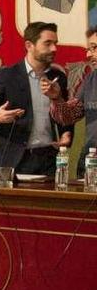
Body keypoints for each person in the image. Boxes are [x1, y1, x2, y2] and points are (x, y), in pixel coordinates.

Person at [0, 22, 74, 176]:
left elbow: (65, 115)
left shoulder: (58, 77)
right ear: (29, 45)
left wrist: (66, 133)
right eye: (47, 43)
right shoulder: (7, 76)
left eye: (55, 43)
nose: (54, 48)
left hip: (47, 160)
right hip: (11, 159)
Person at [43, 25, 97, 178]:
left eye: (94, 48)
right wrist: (56, 98)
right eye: (88, 49)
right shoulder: (91, 79)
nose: (88, 54)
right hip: (92, 163)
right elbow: (68, 116)